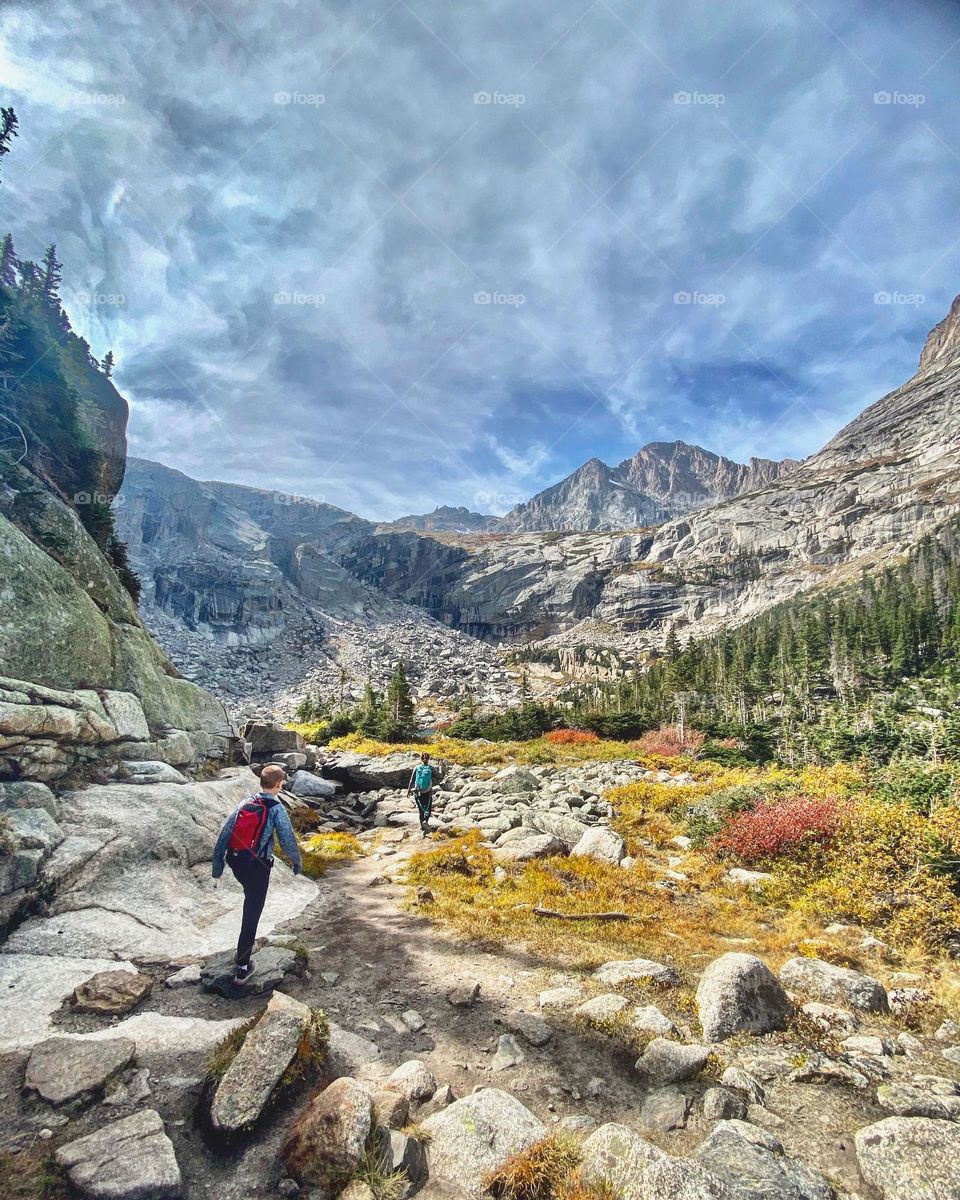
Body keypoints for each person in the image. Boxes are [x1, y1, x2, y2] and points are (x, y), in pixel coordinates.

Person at [212, 764, 302, 985]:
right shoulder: (276, 808)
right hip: (258, 866)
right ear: (279, 785)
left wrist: (218, 867)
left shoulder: (247, 802)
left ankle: (242, 952)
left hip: (236, 862)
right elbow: (287, 839)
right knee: (252, 911)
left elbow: (226, 832)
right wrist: (297, 862)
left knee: (250, 903)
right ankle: (242, 966)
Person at [407, 751, 442, 835]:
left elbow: (412, 780)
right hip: (427, 792)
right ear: (428, 759)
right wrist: (440, 767)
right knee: (428, 809)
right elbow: (439, 775)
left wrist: (408, 791)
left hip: (417, 792)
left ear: (421, 759)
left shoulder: (416, 767)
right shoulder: (430, 768)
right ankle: (425, 821)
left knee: (421, 810)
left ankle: (422, 827)